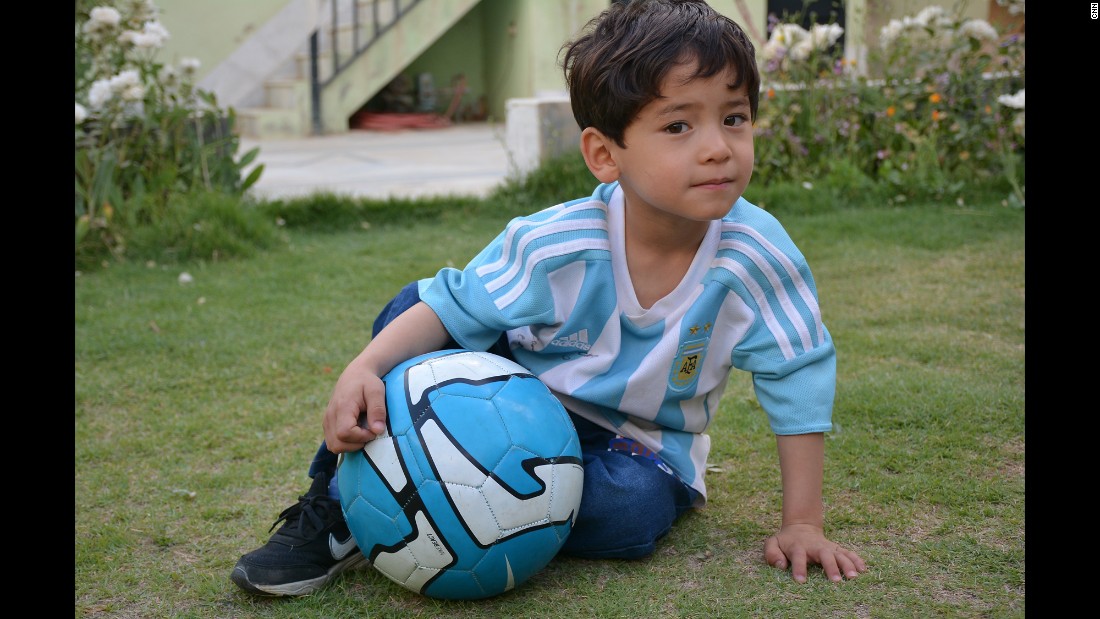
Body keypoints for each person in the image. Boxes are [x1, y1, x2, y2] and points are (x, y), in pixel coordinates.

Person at [231, 0, 867, 597]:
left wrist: (803, 522)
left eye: (733, 118)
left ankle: (461, 514)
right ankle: (340, 510)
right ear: (603, 153)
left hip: (638, 445)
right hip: (507, 403)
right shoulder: (554, 243)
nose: (717, 147)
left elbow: (797, 372)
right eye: (679, 125)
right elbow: (456, 307)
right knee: (414, 310)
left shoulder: (757, 255)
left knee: (631, 515)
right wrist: (362, 369)